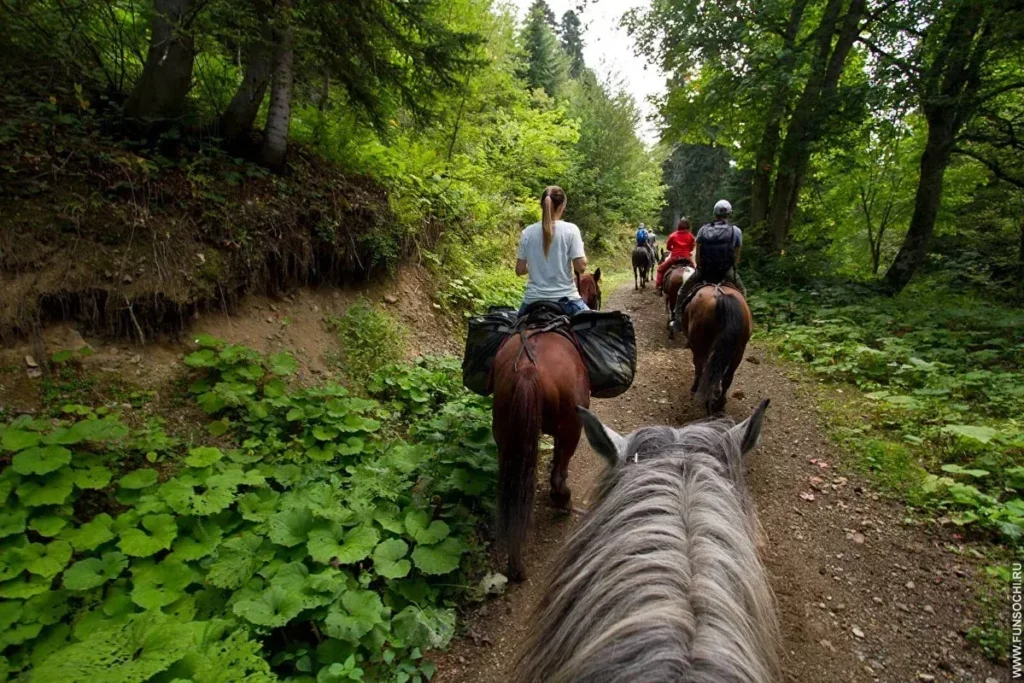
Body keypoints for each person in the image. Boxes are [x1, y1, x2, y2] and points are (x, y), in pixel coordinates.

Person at [515, 186, 589, 317]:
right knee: (596, 331)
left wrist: (535, 265)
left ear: (541, 205)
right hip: (567, 301)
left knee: (511, 331)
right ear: (562, 206)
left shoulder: (527, 232)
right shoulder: (571, 230)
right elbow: (581, 267)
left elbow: (520, 270)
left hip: (532, 301)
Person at [673, 200, 746, 327]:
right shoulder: (736, 231)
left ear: (714, 214)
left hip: (705, 271)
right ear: (729, 214)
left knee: (683, 291)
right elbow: (736, 256)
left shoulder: (703, 230)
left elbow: (698, 254)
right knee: (743, 292)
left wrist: (700, 267)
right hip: (725, 272)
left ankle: (677, 319)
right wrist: (732, 268)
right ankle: (744, 322)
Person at [655, 217, 696, 294]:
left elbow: (668, 247)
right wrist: (686, 251)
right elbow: (691, 248)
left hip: (674, 258)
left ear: (679, 226)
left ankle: (659, 286)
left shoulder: (673, 235)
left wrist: (674, 249)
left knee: (660, 269)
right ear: (688, 227)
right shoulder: (690, 236)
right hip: (687, 258)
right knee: (696, 271)